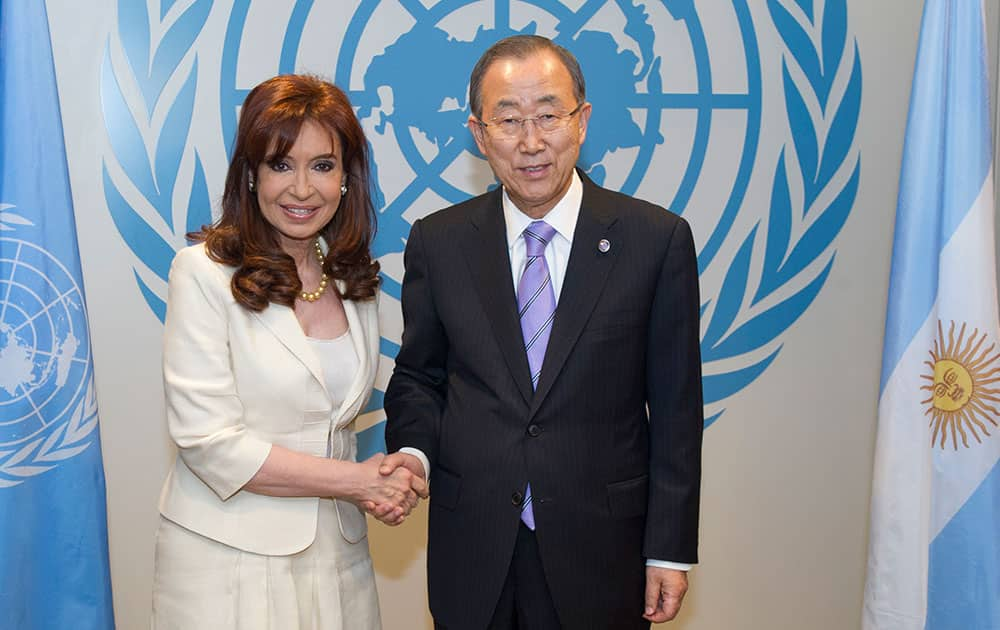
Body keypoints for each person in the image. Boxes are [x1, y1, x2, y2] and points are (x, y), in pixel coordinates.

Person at [381, 35, 704, 629]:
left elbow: (678, 414)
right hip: (472, 548)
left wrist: (669, 548)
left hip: (602, 552)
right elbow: (419, 377)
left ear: (581, 122)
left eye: (548, 115)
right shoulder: (440, 242)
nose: (531, 142)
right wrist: (412, 454)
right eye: (508, 120)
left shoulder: (654, 241)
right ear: (480, 136)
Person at [151, 74, 426, 630]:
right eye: (281, 164)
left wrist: (394, 477)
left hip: (339, 555)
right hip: (226, 560)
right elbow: (210, 442)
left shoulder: (353, 278)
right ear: (251, 174)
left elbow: (336, 423)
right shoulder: (202, 273)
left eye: (322, 166)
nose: (302, 188)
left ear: (346, 180)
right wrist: (358, 482)